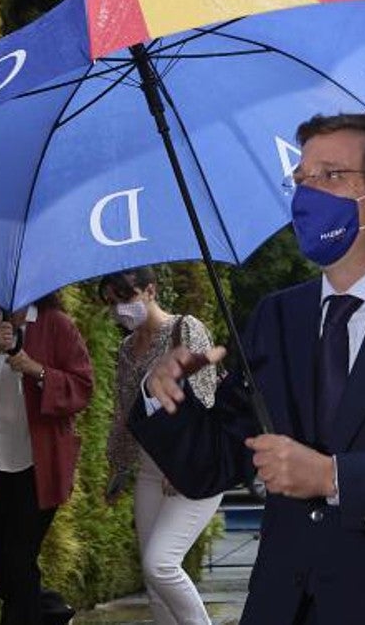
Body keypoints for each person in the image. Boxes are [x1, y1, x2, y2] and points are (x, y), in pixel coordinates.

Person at [129, 113, 365, 624]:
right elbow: (216, 465)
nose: (306, 194)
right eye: (301, 179)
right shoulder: (276, 316)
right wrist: (164, 397)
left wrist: (333, 477)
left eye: (331, 175)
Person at [0, 292, 93, 625]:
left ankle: (42, 614)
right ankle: (52, 611)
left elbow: (82, 386)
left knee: (18, 562)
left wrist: (37, 370)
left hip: (40, 468)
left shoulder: (57, 324)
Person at [99, 267, 224, 625]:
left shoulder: (186, 329)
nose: (119, 309)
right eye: (111, 303)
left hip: (192, 468)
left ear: (150, 290)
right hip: (150, 472)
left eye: (125, 298)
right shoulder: (126, 349)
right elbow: (124, 414)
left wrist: (180, 464)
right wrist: (118, 468)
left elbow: (206, 400)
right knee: (153, 581)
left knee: (162, 564)